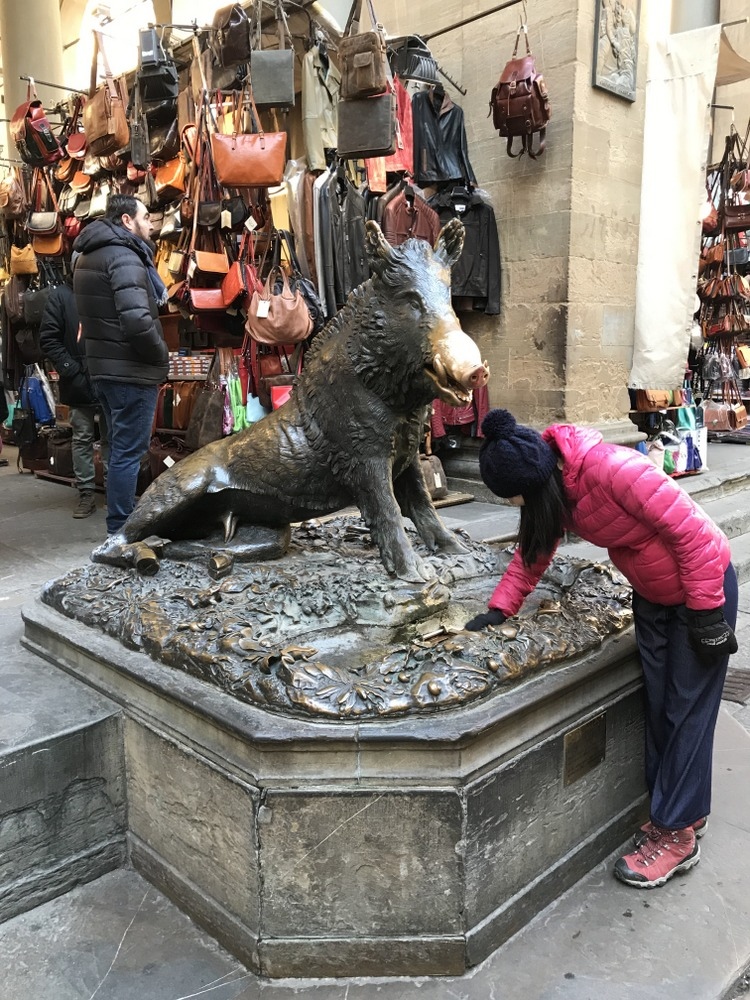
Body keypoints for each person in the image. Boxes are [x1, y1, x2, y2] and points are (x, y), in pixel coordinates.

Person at [465, 408, 738, 890]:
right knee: (662, 707)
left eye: (515, 498)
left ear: (535, 481)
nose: (514, 505)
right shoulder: (552, 490)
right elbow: (533, 552)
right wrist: (500, 609)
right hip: (653, 597)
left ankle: (676, 836)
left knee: (687, 711)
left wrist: (705, 613)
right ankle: (683, 812)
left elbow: (692, 532)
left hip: (702, 594)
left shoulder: (614, 469)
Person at [73, 195, 168, 536]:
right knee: (128, 452)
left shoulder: (88, 255)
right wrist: (160, 356)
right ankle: (121, 530)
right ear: (127, 220)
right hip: (130, 371)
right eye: (146, 216)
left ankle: (118, 525)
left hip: (105, 369)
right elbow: (137, 321)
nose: (151, 223)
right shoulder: (125, 256)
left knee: (117, 450)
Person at [39, 274, 108, 518]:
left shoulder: (104, 288)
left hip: (107, 375)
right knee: (82, 437)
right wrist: (71, 368)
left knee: (111, 437)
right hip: (79, 378)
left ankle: (114, 491)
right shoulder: (61, 295)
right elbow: (48, 338)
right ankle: (87, 493)